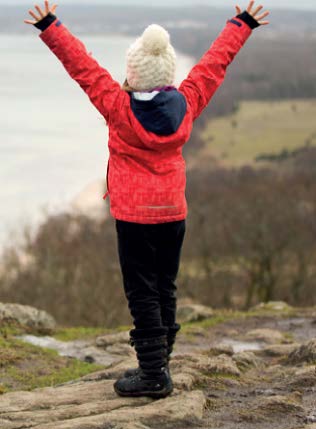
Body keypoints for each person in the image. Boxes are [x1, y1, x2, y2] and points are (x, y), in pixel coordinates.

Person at [24, 1, 270, 399]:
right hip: (172, 212)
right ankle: (161, 361)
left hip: (135, 217)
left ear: (132, 73)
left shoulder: (118, 107)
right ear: (168, 72)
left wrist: (50, 26)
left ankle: (154, 374)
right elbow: (212, 65)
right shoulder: (186, 103)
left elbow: (83, 68)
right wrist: (242, 25)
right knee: (164, 287)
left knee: (141, 291)